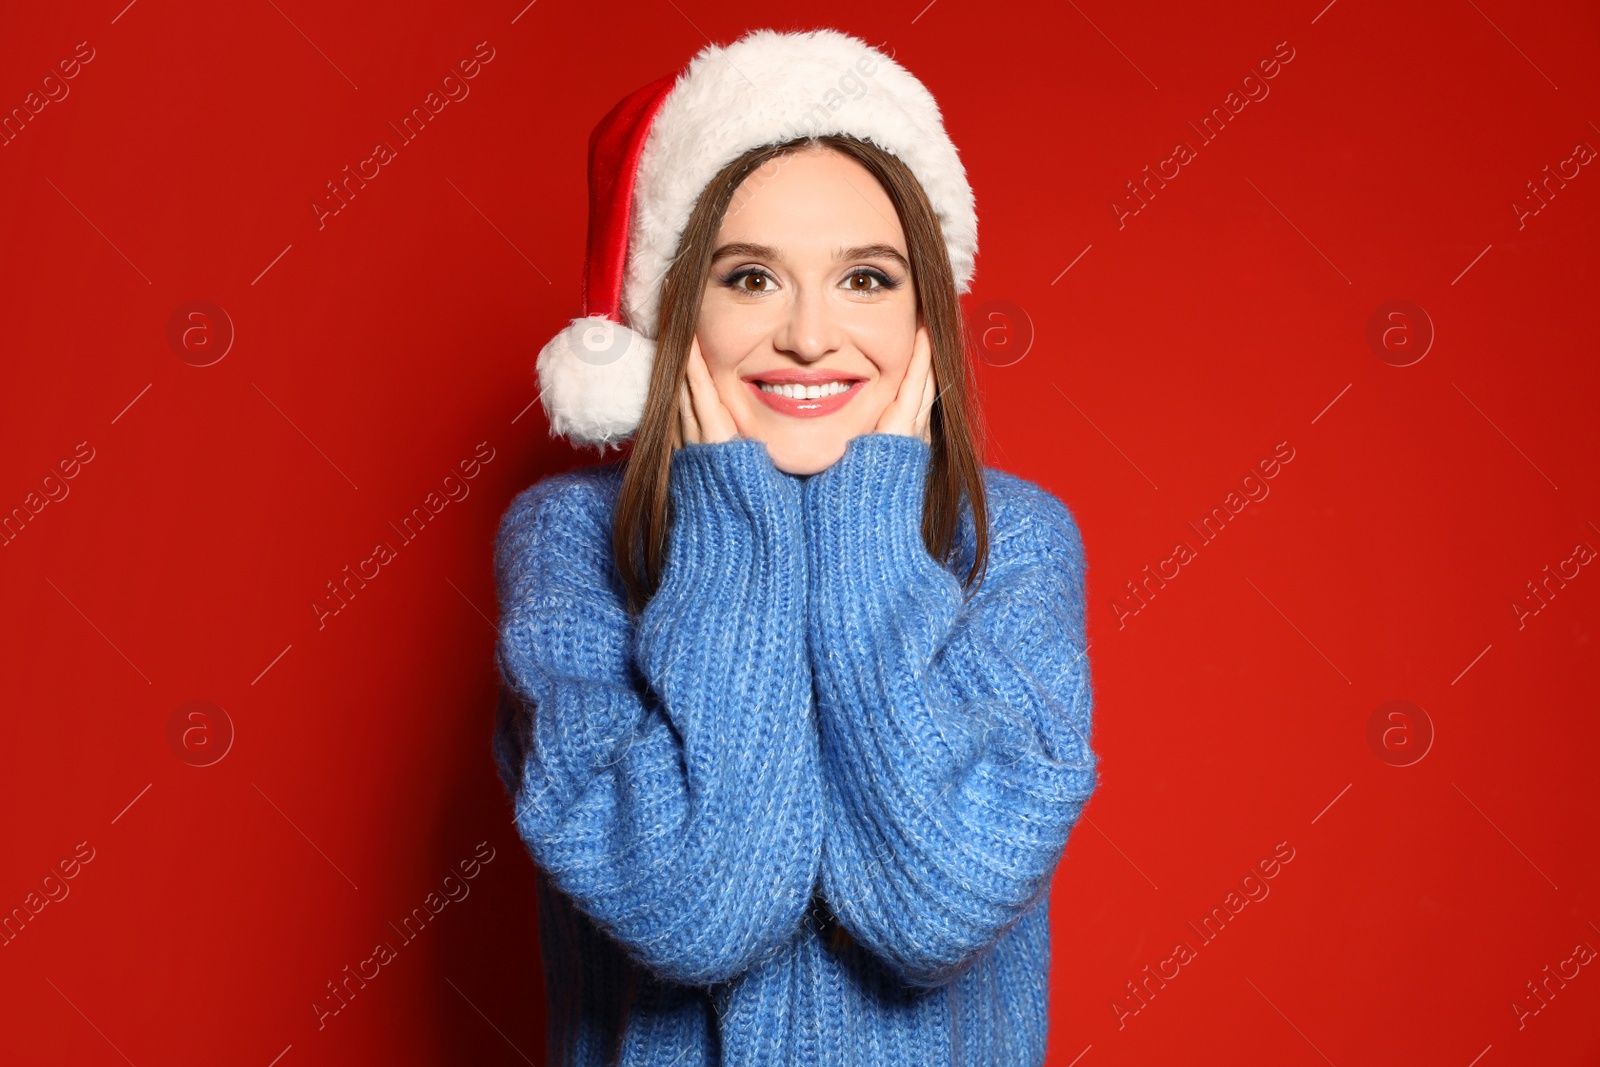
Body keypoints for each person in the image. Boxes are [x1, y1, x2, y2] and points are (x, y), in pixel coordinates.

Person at [491, 27, 1099, 1065]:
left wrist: (867, 536)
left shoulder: (1016, 543)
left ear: (925, 317)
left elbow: (934, 901)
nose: (810, 336)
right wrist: (735, 534)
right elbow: (701, 906)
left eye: (866, 279)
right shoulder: (568, 544)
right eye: (749, 279)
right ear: (675, 309)